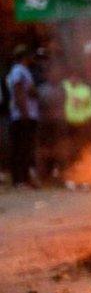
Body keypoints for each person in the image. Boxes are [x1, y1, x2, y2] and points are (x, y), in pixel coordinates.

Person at [5, 45, 41, 188]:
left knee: (26, 148)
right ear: (24, 57)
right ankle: (19, 180)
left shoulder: (24, 71)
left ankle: (24, 179)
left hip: (26, 114)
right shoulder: (18, 71)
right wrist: (24, 113)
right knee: (21, 148)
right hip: (22, 116)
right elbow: (18, 91)